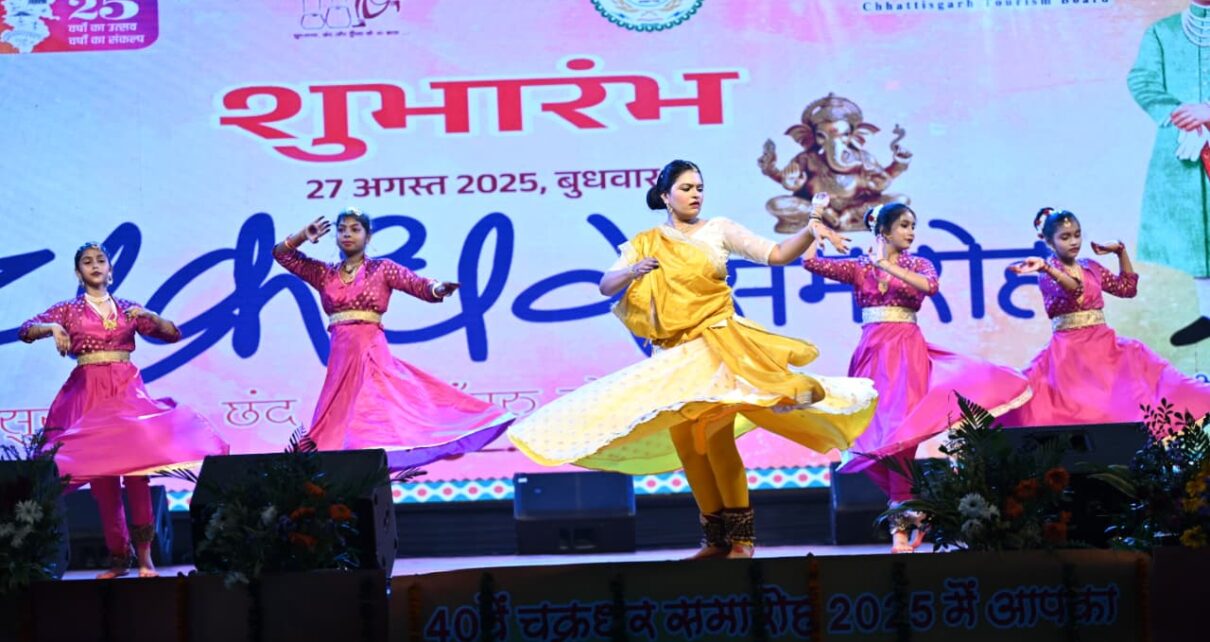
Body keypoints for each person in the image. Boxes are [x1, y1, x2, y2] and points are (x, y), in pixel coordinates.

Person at [509, 160, 877, 559]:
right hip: (673, 356)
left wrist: (809, 228)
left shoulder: (718, 229)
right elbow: (605, 285)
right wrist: (633, 270)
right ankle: (715, 540)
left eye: (699, 187)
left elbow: (775, 254)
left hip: (716, 348)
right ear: (665, 196)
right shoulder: (646, 241)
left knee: (716, 440)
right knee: (689, 449)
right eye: (686, 188)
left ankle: (743, 540)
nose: (695, 194)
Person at [803, 203, 1032, 553]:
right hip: (871, 356)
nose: (911, 232)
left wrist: (886, 265)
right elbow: (810, 263)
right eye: (904, 226)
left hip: (906, 355)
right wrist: (814, 223)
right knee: (863, 444)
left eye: (913, 226)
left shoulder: (918, 263)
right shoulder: (861, 267)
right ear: (883, 231)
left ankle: (900, 530)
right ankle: (918, 509)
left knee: (901, 439)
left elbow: (931, 286)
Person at [19, 242, 230, 579]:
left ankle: (146, 558)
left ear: (110, 270)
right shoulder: (68, 310)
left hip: (125, 392)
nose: (94, 265)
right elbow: (26, 329)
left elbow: (173, 334)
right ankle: (119, 557)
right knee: (103, 480)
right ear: (78, 272)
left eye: (100, 260)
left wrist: (152, 317)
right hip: (89, 393)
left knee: (136, 474)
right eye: (87, 262)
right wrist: (52, 328)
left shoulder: (128, 308)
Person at [273, 208, 513, 469]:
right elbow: (282, 255)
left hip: (371, 351)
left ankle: (370, 467)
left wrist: (438, 289)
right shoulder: (325, 274)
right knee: (335, 417)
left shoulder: (382, 269)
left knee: (372, 409)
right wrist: (302, 236)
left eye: (355, 229)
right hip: (340, 358)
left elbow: (418, 284)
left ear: (368, 236)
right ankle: (342, 474)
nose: (347, 234)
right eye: (342, 230)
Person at [1001, 208, 1210, 427]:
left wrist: (1120, 251)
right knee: (1063, 409)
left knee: (1144, 368)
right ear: (1049, 242)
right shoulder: (1047, 275)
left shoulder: (1090, 266)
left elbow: (1127, 289)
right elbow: (1075, 291)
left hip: (1103, 344)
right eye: (1065, 237)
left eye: (1077, 235)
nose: (1074, 241)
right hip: (1069, 352)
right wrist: (1046, 267)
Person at [1128, 0, 1210, 346]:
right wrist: (1184, 117)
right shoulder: (1162, 33)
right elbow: (1142, 81)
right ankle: (1208, 314)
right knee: (1195, 237)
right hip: (1182, 147)